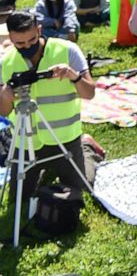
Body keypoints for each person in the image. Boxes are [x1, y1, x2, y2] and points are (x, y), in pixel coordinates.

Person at [1, 11, 100, 205]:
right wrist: (5, 95)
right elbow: (3, 112)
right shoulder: (5, 62)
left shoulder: (67, 50)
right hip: (26, 143)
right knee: (18, 200)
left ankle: (86, 146)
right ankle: (45, 169)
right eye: (19, 44)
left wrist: (73, 76)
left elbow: (89, 93)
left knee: (82, 190)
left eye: (32, 40)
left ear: (39, 30)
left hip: (65, 140)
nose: (27, 47)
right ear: (10, 38)